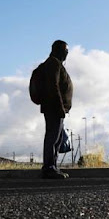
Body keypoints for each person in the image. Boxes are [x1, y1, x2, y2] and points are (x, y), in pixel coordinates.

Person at [39, 40, 73, 179]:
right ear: (58, 50)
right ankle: (49, 167)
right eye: (65, 51)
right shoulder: (53, 64)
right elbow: (54, 86)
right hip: (54, 108)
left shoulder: (54, 63)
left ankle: (52, 166)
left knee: (57, 139)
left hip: (55, 108)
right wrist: (60, 107)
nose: (67, 54)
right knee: (53, 138)